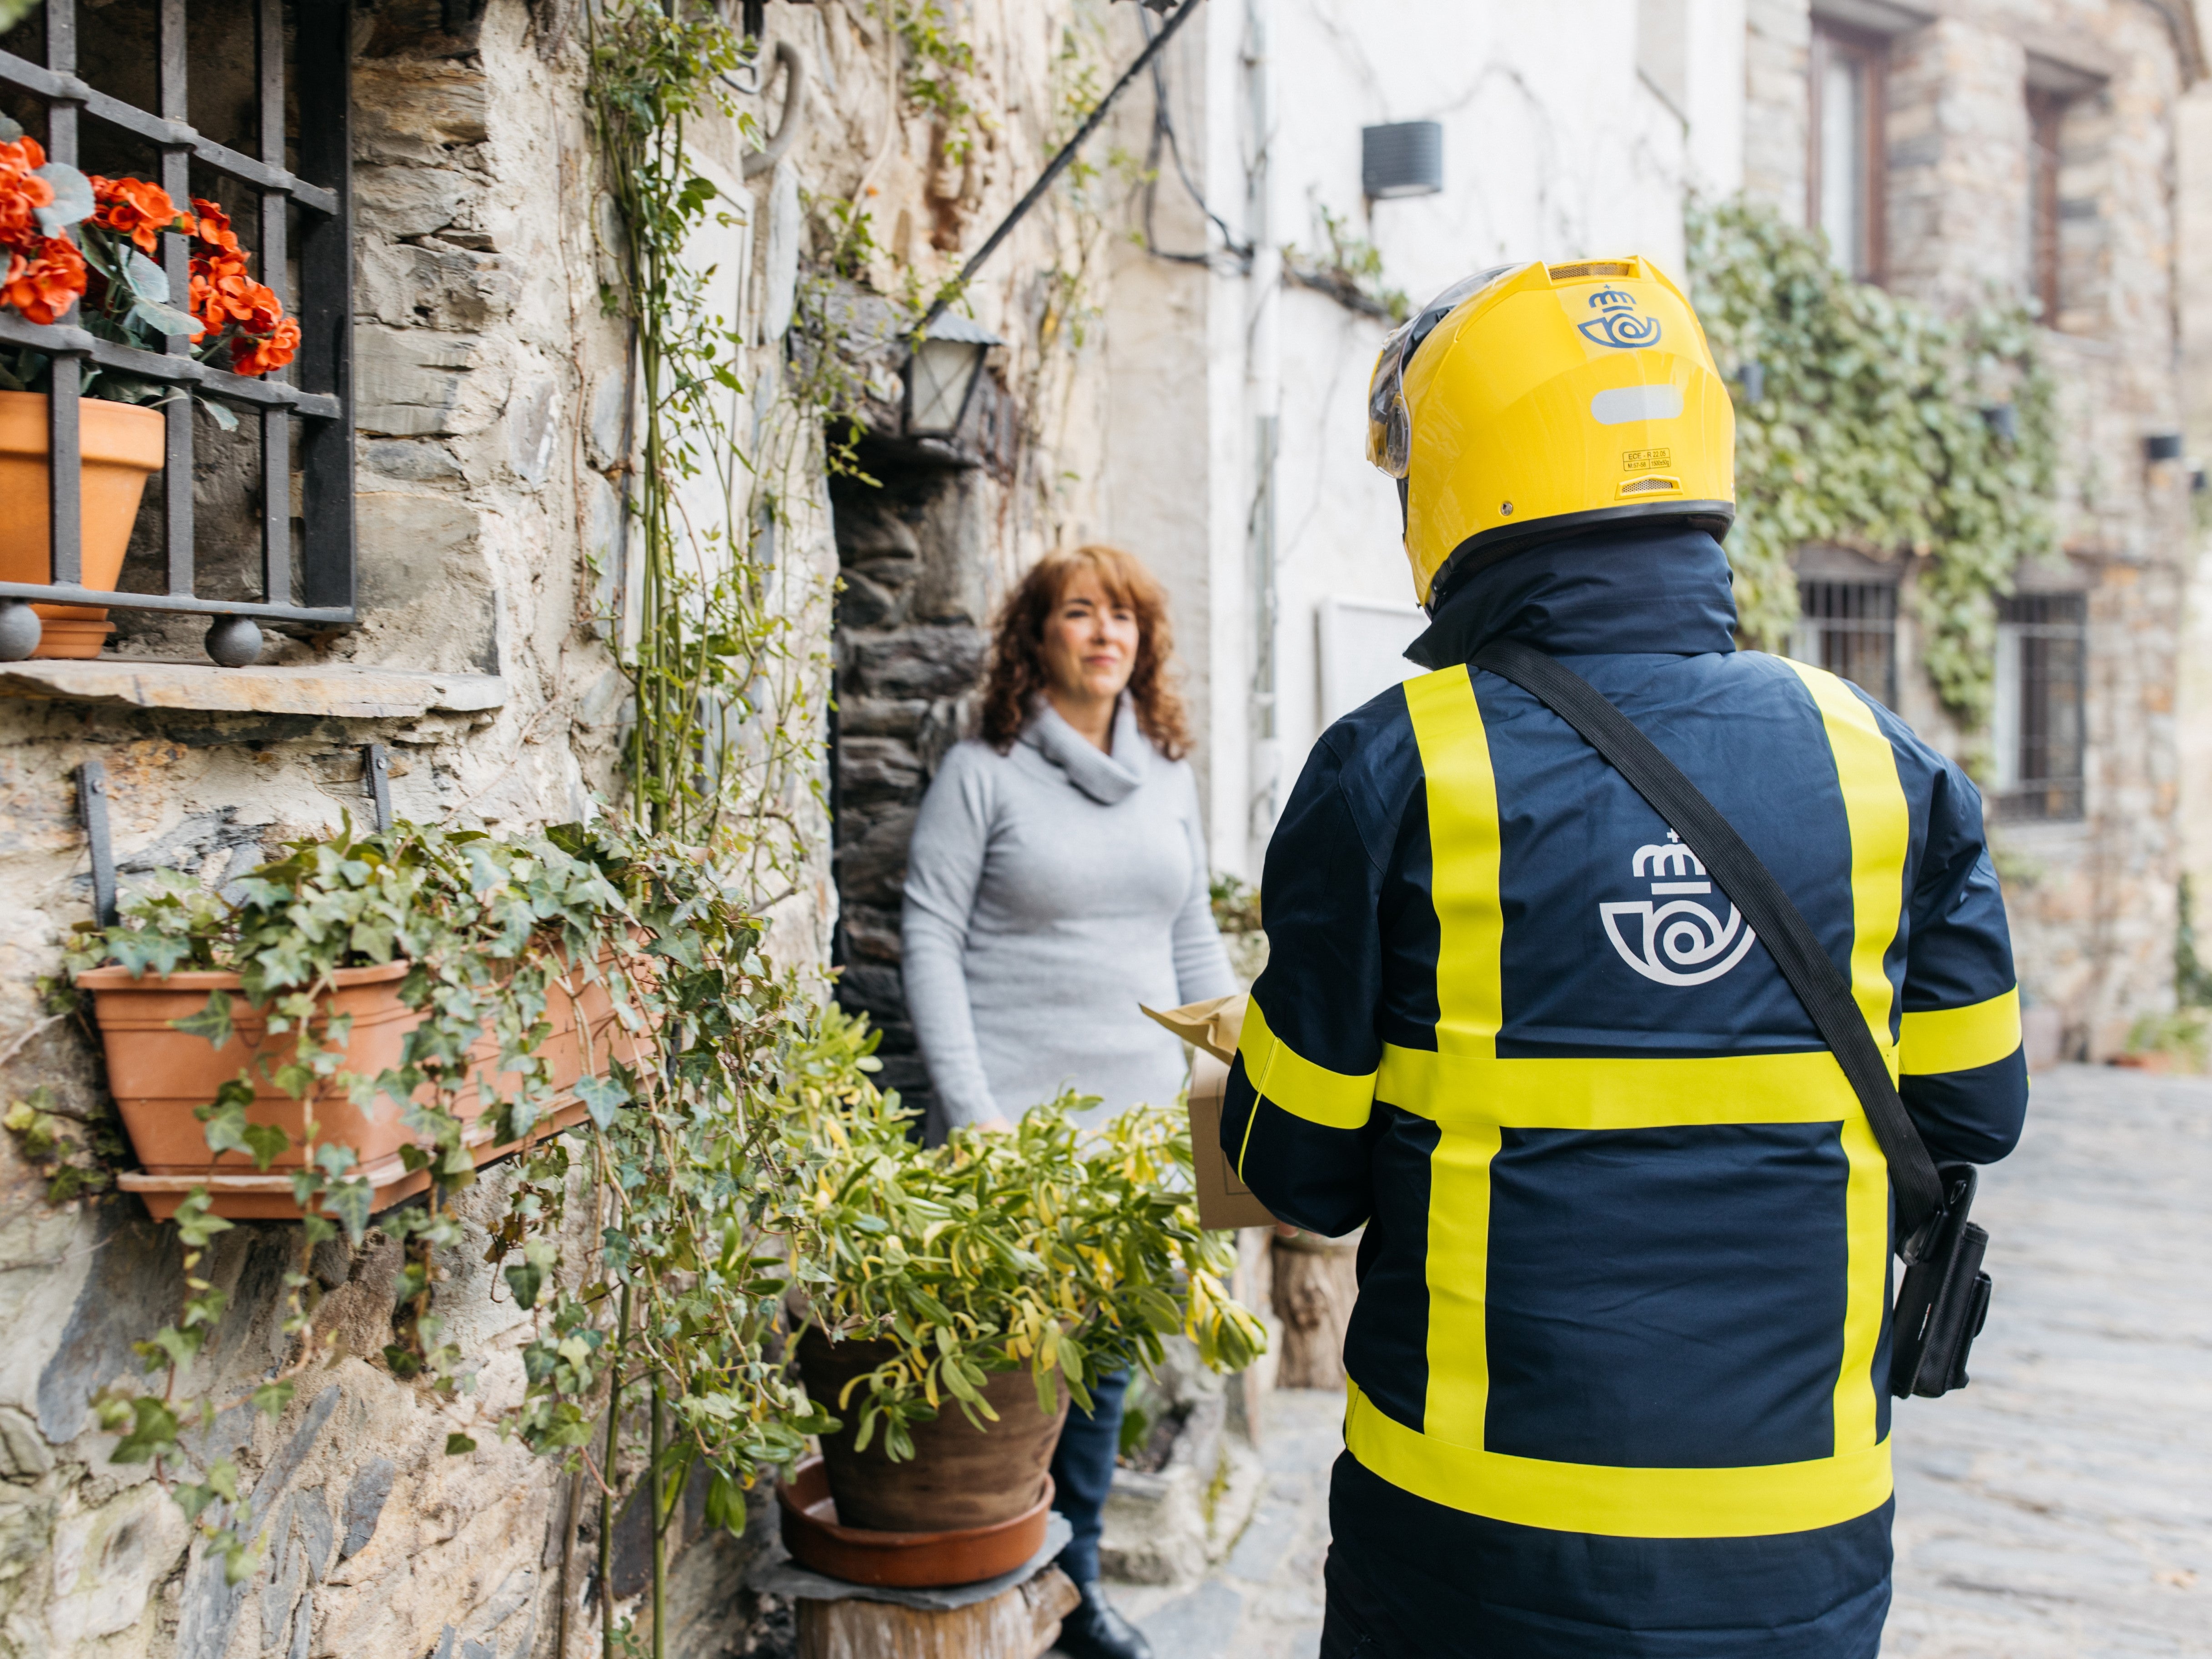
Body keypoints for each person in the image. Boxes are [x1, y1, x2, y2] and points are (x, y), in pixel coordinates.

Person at [1222, 257, 2030, 1657]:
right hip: (1796, 1549)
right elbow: (1974, 1115)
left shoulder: (1398, 767)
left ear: (1462, 485)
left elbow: (1294, 1173)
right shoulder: (1884, 767)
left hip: (1472, 1552)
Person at [902, 543, 1236, 1659]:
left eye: (1123, 619)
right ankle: (998, 1595)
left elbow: (1192, 944)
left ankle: (1077, 1590)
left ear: (1143, 647)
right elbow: (929, 942)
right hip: (1013, 1135)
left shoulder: (1169, 775)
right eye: (1079, 615)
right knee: (1007, 1385)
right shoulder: (982, 772)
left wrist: (1228, 1136)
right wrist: (973, 1112)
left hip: (1135, 1141)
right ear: (1034, 639)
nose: (1104, 634)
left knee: (1098, 1379)